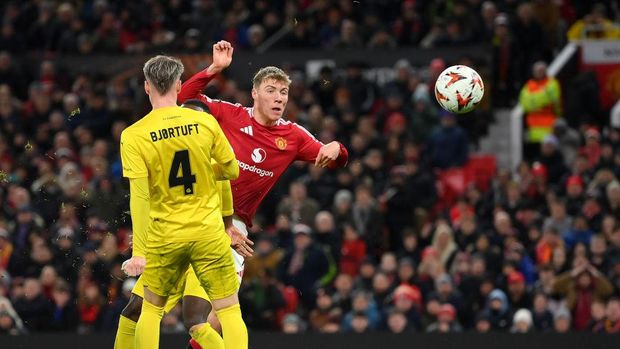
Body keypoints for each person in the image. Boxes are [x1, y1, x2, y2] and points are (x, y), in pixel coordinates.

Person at [177, 40, 349, 278]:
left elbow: (335, 161)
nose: (279, 98)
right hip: (198, 210)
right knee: (162, 295)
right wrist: (214, 69)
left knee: (219, 306)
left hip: (234, 223)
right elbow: (185, 98)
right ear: (254, 93)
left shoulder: (294, 136)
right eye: (271, 91)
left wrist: (337, 147)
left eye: (284, 92)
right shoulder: (231, 114)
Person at [119, 55, 246, 349]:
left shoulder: (134, 135)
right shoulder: (204, 122)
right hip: (207, 232)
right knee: (229, 311)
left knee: (149, 312)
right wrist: (205, 172)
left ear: (147, 87)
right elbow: (230, 171)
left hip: (166, 236)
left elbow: (139, 197)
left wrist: (139, 252)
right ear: (179, 85)